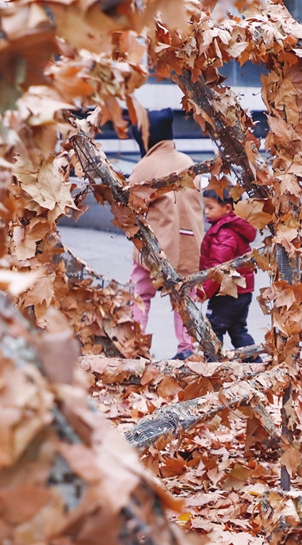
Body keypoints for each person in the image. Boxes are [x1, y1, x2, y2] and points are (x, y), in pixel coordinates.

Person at [127, 109, 204, 360]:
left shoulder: (144, 166)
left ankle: (134, 344)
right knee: (184, 297)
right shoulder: (187, 162)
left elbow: (131, 206)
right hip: (190, 243)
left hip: (155, 247)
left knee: (140, 294)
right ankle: (186, 349)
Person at [196, 189, 256, 349]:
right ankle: (254, 362)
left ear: (227, 208)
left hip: (227, 293)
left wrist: (204, 291)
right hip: (241, 291)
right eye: (205, 207)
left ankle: (212, 364)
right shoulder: (233, 228)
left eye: (210, 207)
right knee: (238, 329)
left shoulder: (224, 233)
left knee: (213, 329)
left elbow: (218, 268)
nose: (206, 212)